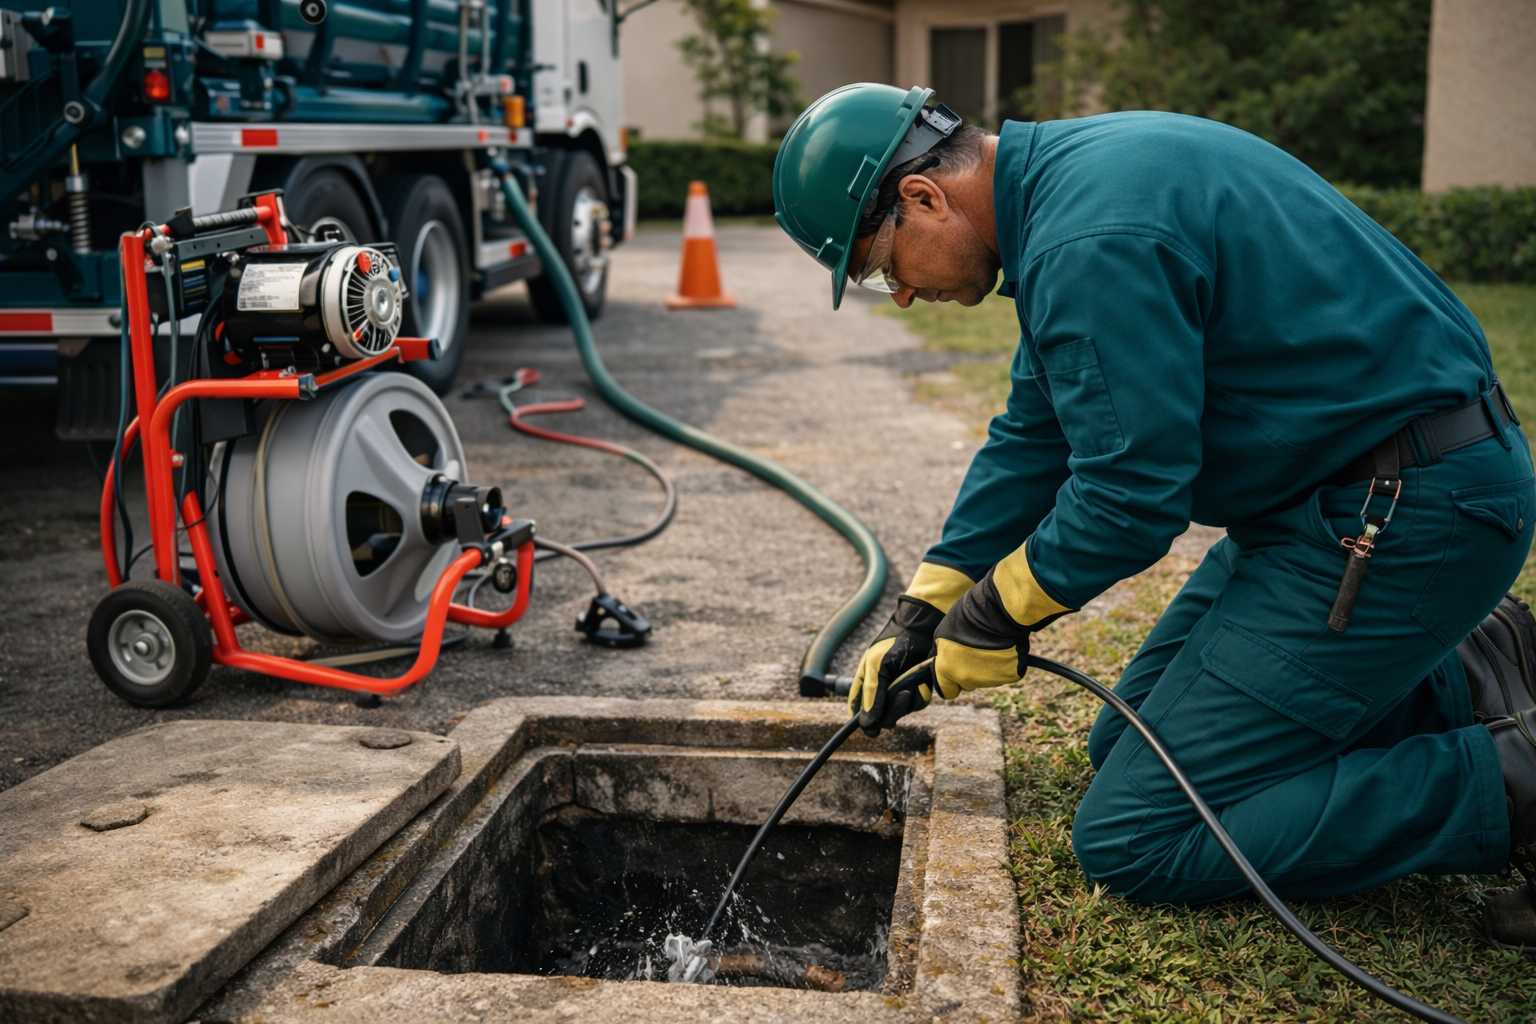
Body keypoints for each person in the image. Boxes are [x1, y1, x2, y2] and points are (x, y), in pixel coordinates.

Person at [772, 83, 1536, 945]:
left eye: (881, 269)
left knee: (1136, 836)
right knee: (1121, 746)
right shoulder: (1065, 190)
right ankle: (1472, 671)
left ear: (922, 197)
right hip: (1332, 504)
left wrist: (989, 619)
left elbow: (1129, 497)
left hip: (1409, 514)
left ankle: (1513, 780)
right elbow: (1035, 432)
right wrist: (926, 607)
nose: (901, 296)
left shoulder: (1092, 237)